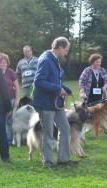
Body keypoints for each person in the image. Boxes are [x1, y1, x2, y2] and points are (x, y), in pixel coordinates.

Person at [33, 36, 77, 167]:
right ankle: (48, 162)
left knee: (65, 128)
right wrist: (58, 89)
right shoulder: (46, 60)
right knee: (48, 132)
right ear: (60, 47)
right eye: (66, 49)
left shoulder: (54, 59)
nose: (67, 53)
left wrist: (65, 89)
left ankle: (64, 159)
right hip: (45, 103)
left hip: (55, 103)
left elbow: (55, 80)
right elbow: (39, 81)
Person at [0, 53, 19, 145]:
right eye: (1, 62)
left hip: (11, 99)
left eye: (5, 62)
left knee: (9, 121)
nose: (3, 64)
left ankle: (10, 140)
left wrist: (17, 99)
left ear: (7, 63)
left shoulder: (11, 72)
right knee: (0, 122)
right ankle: (2, 141)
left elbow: (17, 86)